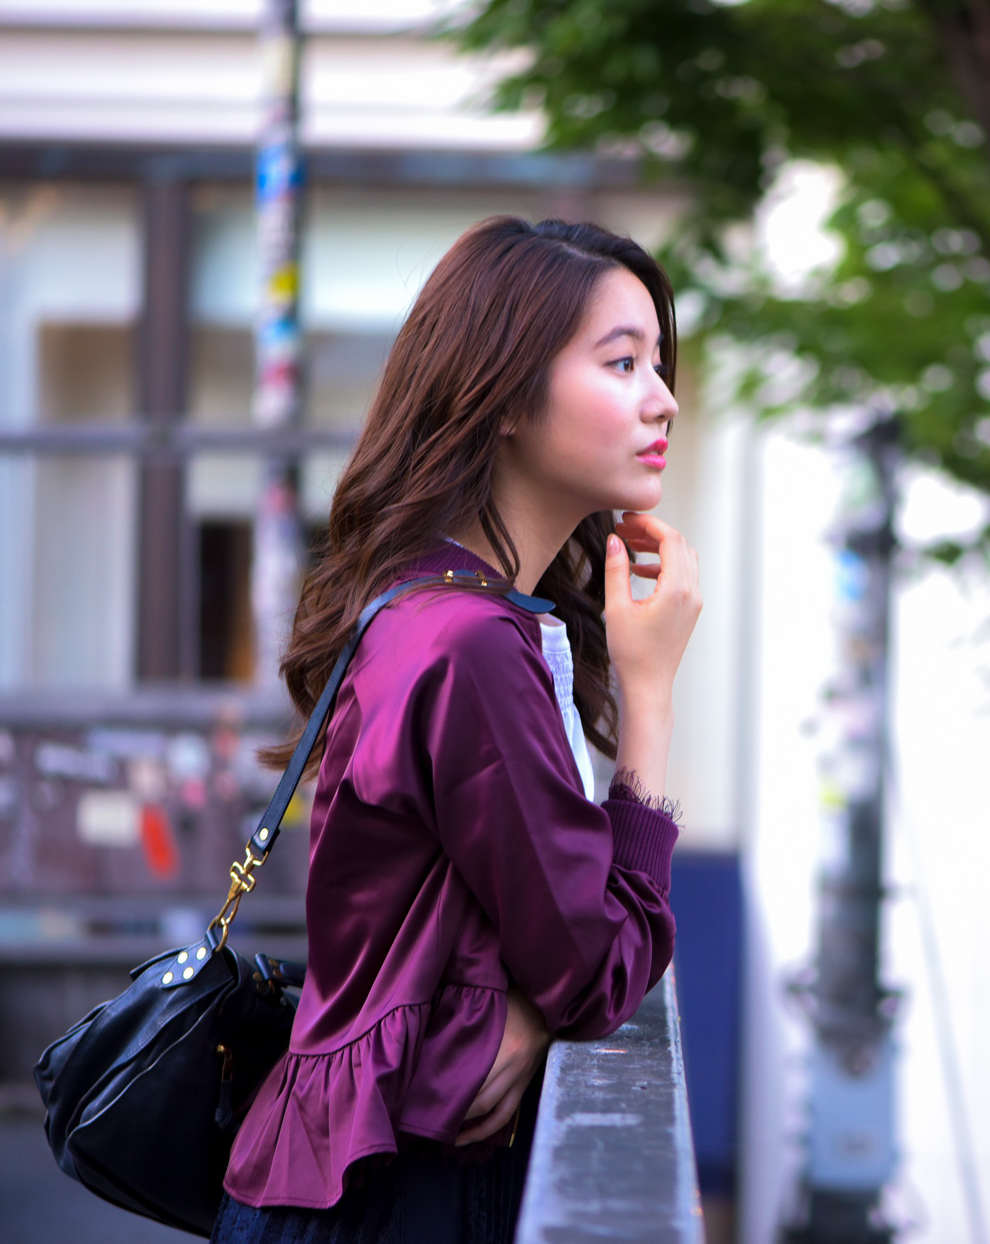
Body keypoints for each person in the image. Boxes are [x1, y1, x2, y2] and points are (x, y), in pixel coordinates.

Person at [211, 217, 701, 1244]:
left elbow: (521, 918)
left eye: (659, 363)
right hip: (385, 1194)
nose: (662, 398)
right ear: (506, 395)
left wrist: (522, 1001)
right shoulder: (469, 641)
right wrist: (651, 691)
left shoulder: (437, 608)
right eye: (622, 363)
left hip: (352, 1172)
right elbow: (603, 969)